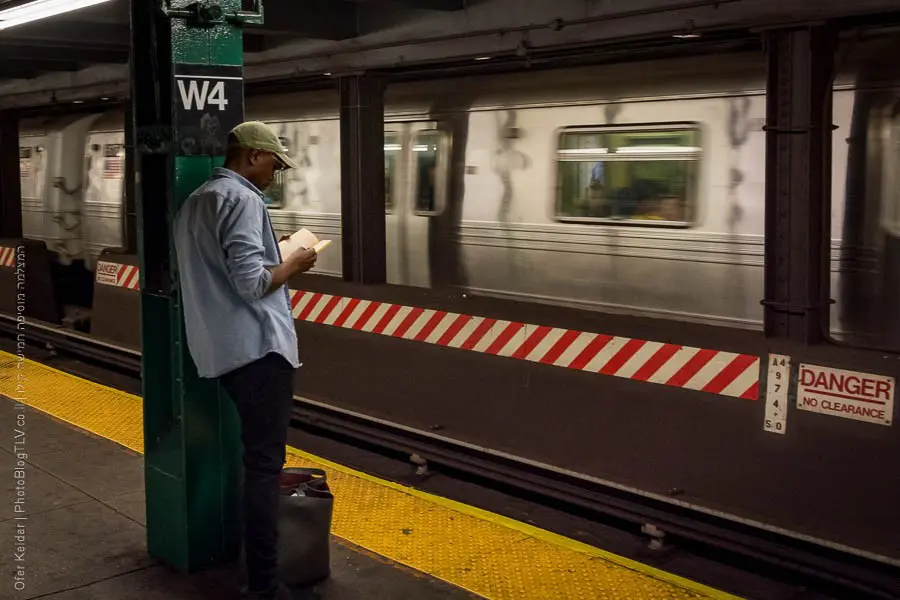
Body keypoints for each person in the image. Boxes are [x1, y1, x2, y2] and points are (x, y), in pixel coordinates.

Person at [173, 121, 318, 600]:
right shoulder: (242, 200)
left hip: (223, 351)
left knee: (256, 463)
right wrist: (294, 262)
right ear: (253, 155)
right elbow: (251, 283)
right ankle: (263, 585)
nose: (276, 173)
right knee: (263, 468)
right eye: (275, 163)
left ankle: (259, 578)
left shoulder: (195, 203)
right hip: (258, 350)